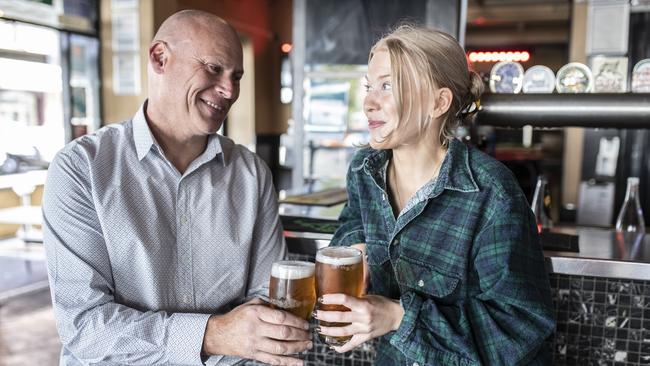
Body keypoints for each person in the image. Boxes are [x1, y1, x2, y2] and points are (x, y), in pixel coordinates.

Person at [43, 10, 311, 366]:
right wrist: (214, 335)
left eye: (236, 76)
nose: (229, 90)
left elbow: (265, 299)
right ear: (159, 58)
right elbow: (85, 327)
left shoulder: (251, 174)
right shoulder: (81, 169)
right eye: (214, 69)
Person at [315, 25, 555, 365]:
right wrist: (359, 246)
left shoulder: (491, 193)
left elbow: (520, 326)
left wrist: (398, 317)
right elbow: (354, 219)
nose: (369, 102)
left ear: (438, 102)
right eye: (369, 86)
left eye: (387, 86)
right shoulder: (364, 169)